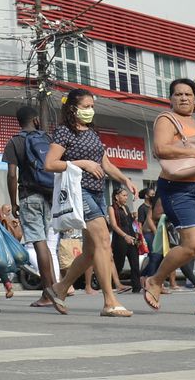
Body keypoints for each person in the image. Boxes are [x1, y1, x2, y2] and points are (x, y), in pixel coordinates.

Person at [42, 90, 139, 317]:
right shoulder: (64, 132)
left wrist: (124, 178)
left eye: (91, 106)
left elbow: (104, 162)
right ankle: (109, 301)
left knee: (90, 251)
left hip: (97, 192)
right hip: (80, 192)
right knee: (104, 241)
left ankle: (60, 288)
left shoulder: (93, 132)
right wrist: (82, 163)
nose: (90, 110)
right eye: (85, 106)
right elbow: (50, 163)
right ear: (73, 108)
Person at [141, 79, 195, 315]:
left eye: (188, 94)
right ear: (170, 99)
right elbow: (160, 148)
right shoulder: (166, 119)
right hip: (180, 189)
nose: (183, 98)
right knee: (193, 246)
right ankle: (155, 280)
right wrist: (194, 150)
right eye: (178, 94)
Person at [3, 102, 59, 310]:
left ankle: (48, 293)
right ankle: (55, 289)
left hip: (29, 197)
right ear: (36, 120)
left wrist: (13, 202)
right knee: (48, 244)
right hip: (49, 197)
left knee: (39, 243)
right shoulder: (46, 138)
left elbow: (11, 174)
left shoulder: (15, 142)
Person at [108, 186, 139, 293]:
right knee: (118, 263)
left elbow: (130, 223)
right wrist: (125, 236)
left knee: (135, 263)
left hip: (131, 237)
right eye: (124, 195)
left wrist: (134, 218)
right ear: (117, 197)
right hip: (120, 239)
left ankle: (137, 287)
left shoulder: (126, 207)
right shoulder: (111, 208)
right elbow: (114, 225)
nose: (126, 198)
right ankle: (111, 285)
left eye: (127, 195)